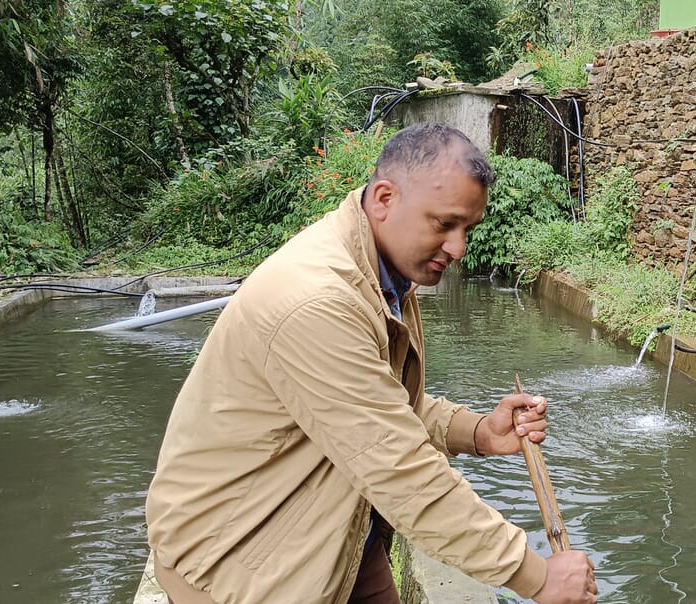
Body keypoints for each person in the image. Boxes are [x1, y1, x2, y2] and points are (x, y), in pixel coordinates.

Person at [145, 123, 597, 603]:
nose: (459, 248)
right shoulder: (317, 301)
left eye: (468, 228)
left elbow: (383, 406)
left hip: (334, 528)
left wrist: (478, 431)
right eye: (444, 224)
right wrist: (535, 576)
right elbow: (400, 468)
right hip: (245, 562)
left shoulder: (385, 273)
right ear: (383, 198)